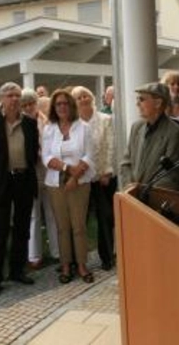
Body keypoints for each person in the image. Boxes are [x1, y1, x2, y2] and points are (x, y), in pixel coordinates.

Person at [0, 82, 40, 296]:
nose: (14, 99)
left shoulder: (30, 124)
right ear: (1, 99)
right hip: (1, 182)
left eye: (17, 95)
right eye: (10, 95)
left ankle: (16, 270)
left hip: (23, 180)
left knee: (22, 228)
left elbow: (33, 153)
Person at [42, 89, 97, 284]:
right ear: (54, 108)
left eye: (65, 103)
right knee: (62, 227)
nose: (62, 107)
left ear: (71, 105)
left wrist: (76, 176)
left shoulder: (84, 127)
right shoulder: (49, 129)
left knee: (78, 227)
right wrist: (67, 168)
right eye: (58, 104)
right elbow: (46, 157)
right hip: (55, 183)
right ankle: (66, 265)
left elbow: (90, 155)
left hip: (80, 183)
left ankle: (82, 265)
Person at [72, 86, 117, 271]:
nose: (83, 99)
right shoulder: (73, 124)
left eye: (86, 95)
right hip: (80, 179)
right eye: (79, 97)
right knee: (78, 220)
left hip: (101, 177)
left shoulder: (106, 120)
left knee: (105, 216)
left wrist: (107, 171)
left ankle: (107, 257)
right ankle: (77, 260)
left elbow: (111, 145)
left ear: (92, 98)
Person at [120, 82, 179, 190]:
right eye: (137, 99)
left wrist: (144, 191)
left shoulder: (176, 132)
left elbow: (172, 175)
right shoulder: (136, 127)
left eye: (142, 99)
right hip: (133, 198)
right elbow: (125, 163)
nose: (137, 104)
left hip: (157, 201)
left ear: (158, 103)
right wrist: (130, 187)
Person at [22, 89, 60, 269]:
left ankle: (57, 250)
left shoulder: (47, 121)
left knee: (52, 211)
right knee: (34, 215)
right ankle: (34, 255)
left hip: (49, 170)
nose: (29, 107)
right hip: (32, 172)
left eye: (31, 103)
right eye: (25, 105)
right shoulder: (20, 123)